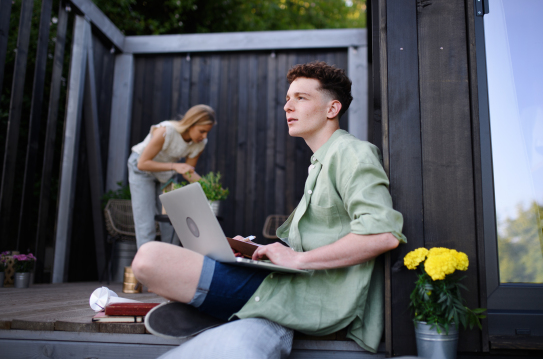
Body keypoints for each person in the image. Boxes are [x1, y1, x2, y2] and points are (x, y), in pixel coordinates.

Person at [132, 62, 405, 354]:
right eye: (288, 99)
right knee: (168, 269)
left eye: (301, 98)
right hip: (289, 281)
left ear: (332, 109)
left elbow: (383, 234)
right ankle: (224, 306)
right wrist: (254, 251)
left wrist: (298, 260)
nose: (288, 106)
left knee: (150, 258)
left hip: (314, 297)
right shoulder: (320, 163)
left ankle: (221, 311)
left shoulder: (352, 153)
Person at [128, 105, 216, 249]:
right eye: (202, 131)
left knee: (172, 222)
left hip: (167, 174)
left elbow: (188, 172)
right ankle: (146, 267)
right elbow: (142, 163)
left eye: (207, 132)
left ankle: (170, 265)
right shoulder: (166, 131)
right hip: (142, 171)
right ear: (191, 124)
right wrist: (175, 166)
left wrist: (211, 188)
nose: (204, 136)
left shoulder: (199, 143)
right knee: (146, 223)